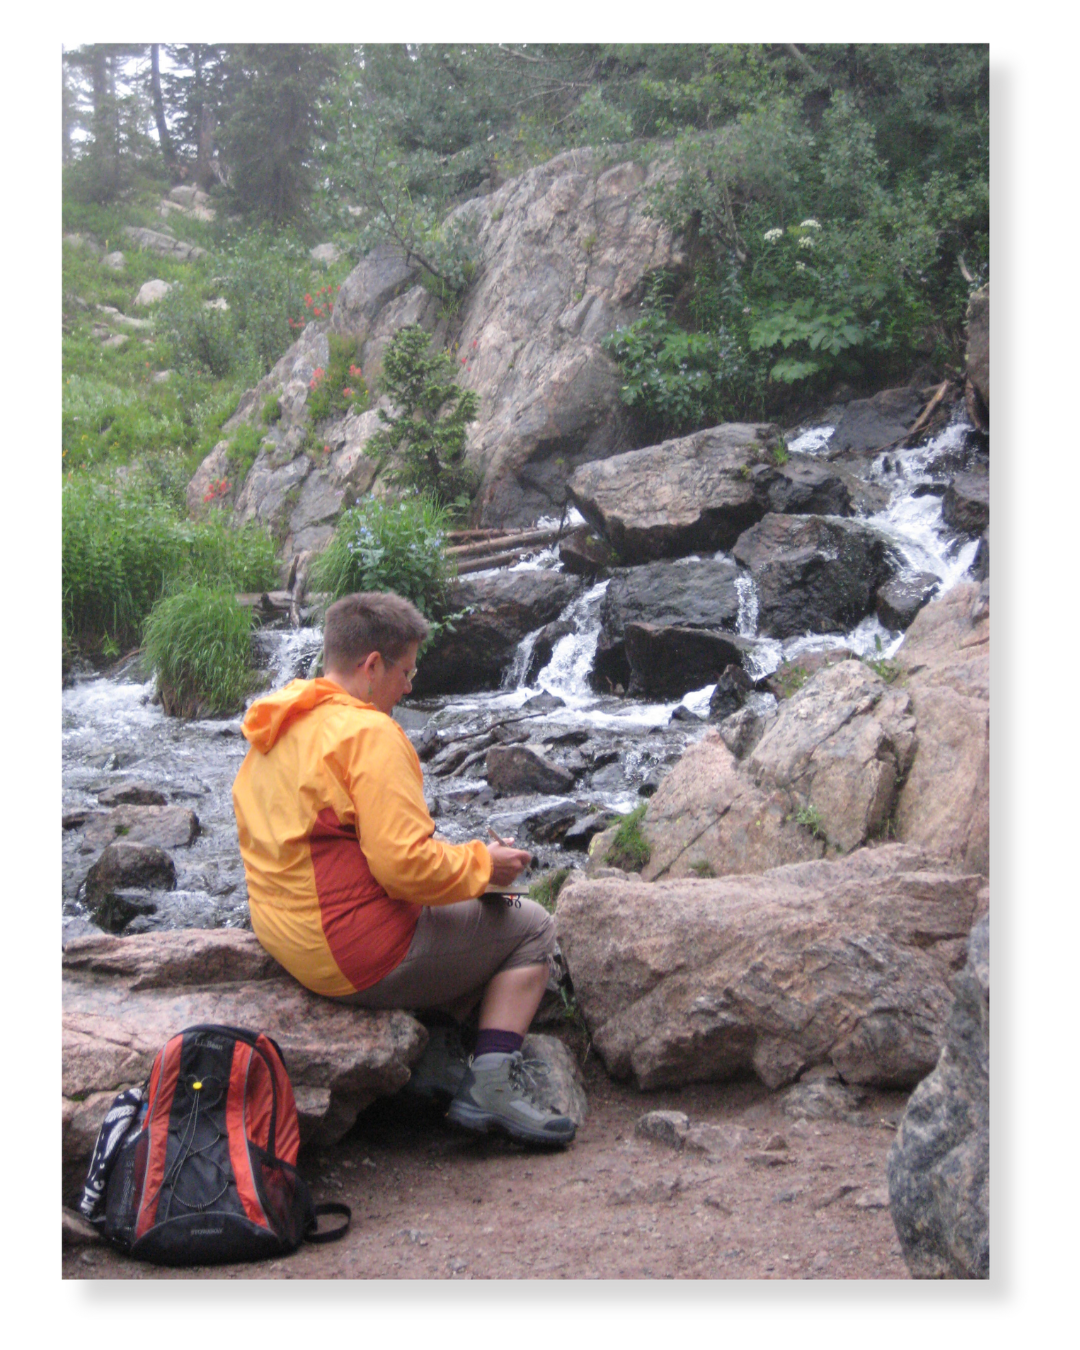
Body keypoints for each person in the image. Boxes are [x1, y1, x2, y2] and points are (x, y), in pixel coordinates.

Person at [232, 590, 575, 1146]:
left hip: (284, 933)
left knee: (478, 902)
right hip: (350, 953)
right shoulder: (369, 734)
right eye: (407, 671)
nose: (410, 686)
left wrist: (469, 868)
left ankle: (434, 1058)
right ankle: (490, 1087)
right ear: (372, 667)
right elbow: (404, 870)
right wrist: (484, 866)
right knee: (527, 919)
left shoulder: (282, 722)